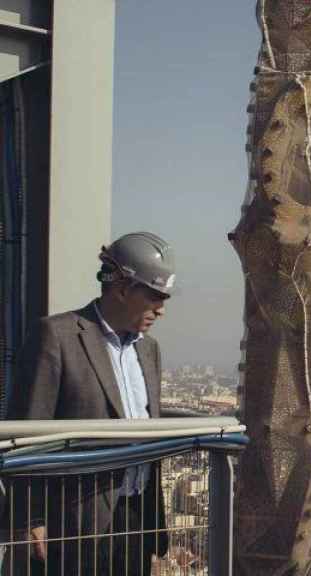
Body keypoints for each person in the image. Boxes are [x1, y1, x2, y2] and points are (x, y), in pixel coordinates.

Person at [8, 232, 175, 575]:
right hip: (75, 520)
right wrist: (30, 517)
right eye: (155, 296)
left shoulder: (149, 350)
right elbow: (24, 433)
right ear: (124, 288)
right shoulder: (58, 336)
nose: (161, 309)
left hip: (136, 517)